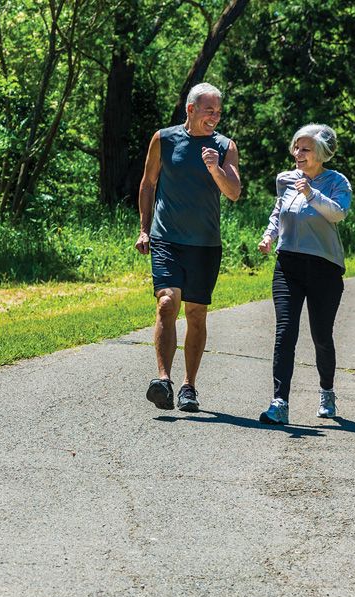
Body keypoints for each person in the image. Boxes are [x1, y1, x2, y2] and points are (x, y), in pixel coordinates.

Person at [136, 83, 241, 411]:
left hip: (205, 245)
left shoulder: (225, 146)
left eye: (219, 111)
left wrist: (215, 168)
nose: (215, 116)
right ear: (191, 109)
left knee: (196, 313)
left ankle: (188, 386)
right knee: (167, 303)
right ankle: (163, 380)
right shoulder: (164, 139)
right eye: (210, 110)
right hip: (167, 239)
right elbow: (148, 183)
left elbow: (234, 192)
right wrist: (144, 229)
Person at [257, 123, 352, 424]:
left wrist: (311, 193)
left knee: (321, 335)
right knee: (285, 331)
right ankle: (279, 402)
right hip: (288, 265)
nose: (298, 153)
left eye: (306, 149)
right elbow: (279, 212)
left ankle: (327, 391)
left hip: (325, 268)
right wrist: (269, 236)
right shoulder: (286, 179)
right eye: (296, 147)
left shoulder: (337, 181)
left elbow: (338, 213)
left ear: (321, 153)